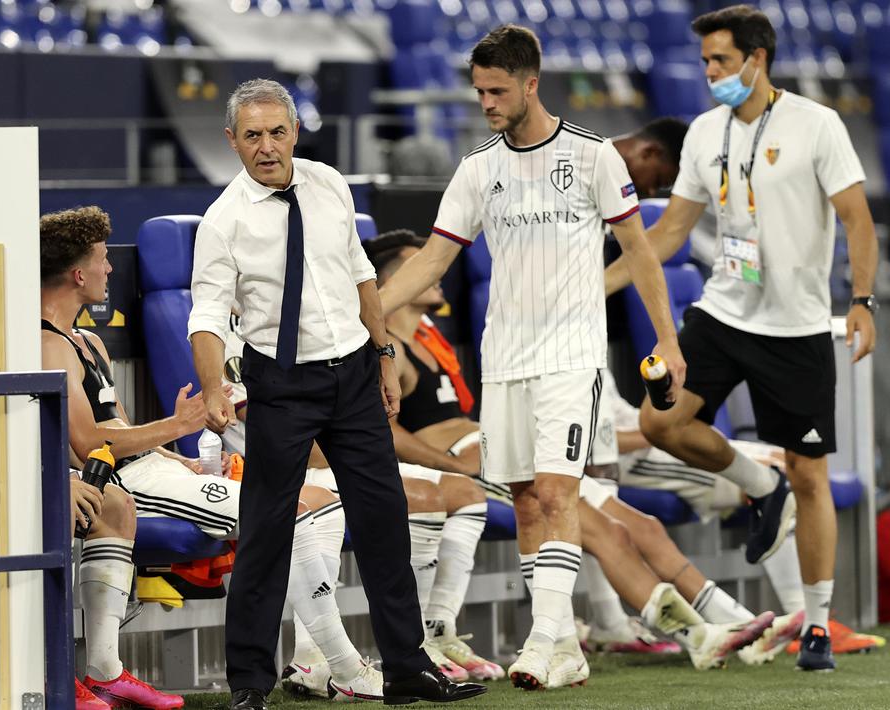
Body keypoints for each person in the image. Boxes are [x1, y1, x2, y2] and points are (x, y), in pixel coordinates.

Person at [376, 25, 686, 691]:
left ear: (529, 83)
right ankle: (564, 648)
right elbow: (433, 256)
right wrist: (364, 315)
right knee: (521, 498)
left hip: (572, 356)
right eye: (478, 91)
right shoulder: (476, 168)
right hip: (504, 357)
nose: (485, 102)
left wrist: (666, 338)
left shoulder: (594, 156)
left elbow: (638, 252)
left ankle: (544, 639)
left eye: (495, 90)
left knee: (555, 490)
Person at [188, 79, 486, 710]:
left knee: (384, 524)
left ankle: (408, 669)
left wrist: (382, 356)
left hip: (353, 372)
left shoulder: (328, 183)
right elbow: (209, 315)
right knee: (265, 532)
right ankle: (248, 683)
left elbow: (361, 275)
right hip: (281, 381)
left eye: (276, 132)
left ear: (295, 132)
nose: (266, 147)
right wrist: (214, 387)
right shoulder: (223, 221)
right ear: (231, 141)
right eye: (252, 136)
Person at [602, 4, 878, 672]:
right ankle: (759, 483)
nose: (708, 72)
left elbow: (855, 218)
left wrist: (862, 301)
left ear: (756, 58)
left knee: (809, 473)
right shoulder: (702, 132)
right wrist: (593, 287)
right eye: (703, 61)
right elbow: (667, 232)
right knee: (660, 421)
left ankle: (815, 626)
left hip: (796, 326)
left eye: (719, 60)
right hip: (723, 313)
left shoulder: (817, 125)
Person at [368, 231, 776, 681]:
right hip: (471, 465)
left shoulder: (431, 340)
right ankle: (697, 635)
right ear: (396, 279)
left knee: (635, 527)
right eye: (421, 264)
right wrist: (451, 465)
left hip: (500, 450)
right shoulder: (387, 349)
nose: (438, 270)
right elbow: (386, 432)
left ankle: (717, 626)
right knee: (603, 531)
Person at [39, 206, 390, 703]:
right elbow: (88, 445)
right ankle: (346, 666)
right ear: (78, 273)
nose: (110, 268)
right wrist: (179, 425)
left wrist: (175, 454)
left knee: (322, 500)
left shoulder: (89, 341)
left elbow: (116, 426)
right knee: (290, 510)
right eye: (101, 260)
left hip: (151, 469)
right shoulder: (49, 345)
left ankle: (313, 660)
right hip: (118, 484)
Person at [0, 221, 175, 710]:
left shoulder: (5, 331)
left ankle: (104, 672)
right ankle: (43, 677)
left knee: (111, 505)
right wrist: (41, 483)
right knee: (49, 506)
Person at [216, 311, 498, 688]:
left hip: (337, 450)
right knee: (392, 500)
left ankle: (433, 632)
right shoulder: (239, 331)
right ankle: (311, 655)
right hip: (275, 465)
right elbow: (297, 440)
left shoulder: (328, 321)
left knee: (463, 493)